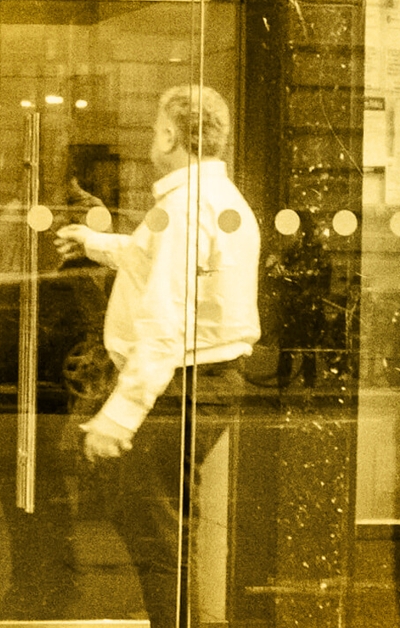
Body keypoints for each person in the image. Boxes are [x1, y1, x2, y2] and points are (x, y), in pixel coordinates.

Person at [53, 85, 259, 628]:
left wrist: (118, 418)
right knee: (162, 524)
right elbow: (160, 257)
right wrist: (96, 244)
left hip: (183, 384)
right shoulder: (213, 200)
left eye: (154, 128)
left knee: (159, 534)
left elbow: (166, 324)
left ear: (170, 135)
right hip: (206, 379)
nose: (152, 137)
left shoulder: (187, 208)